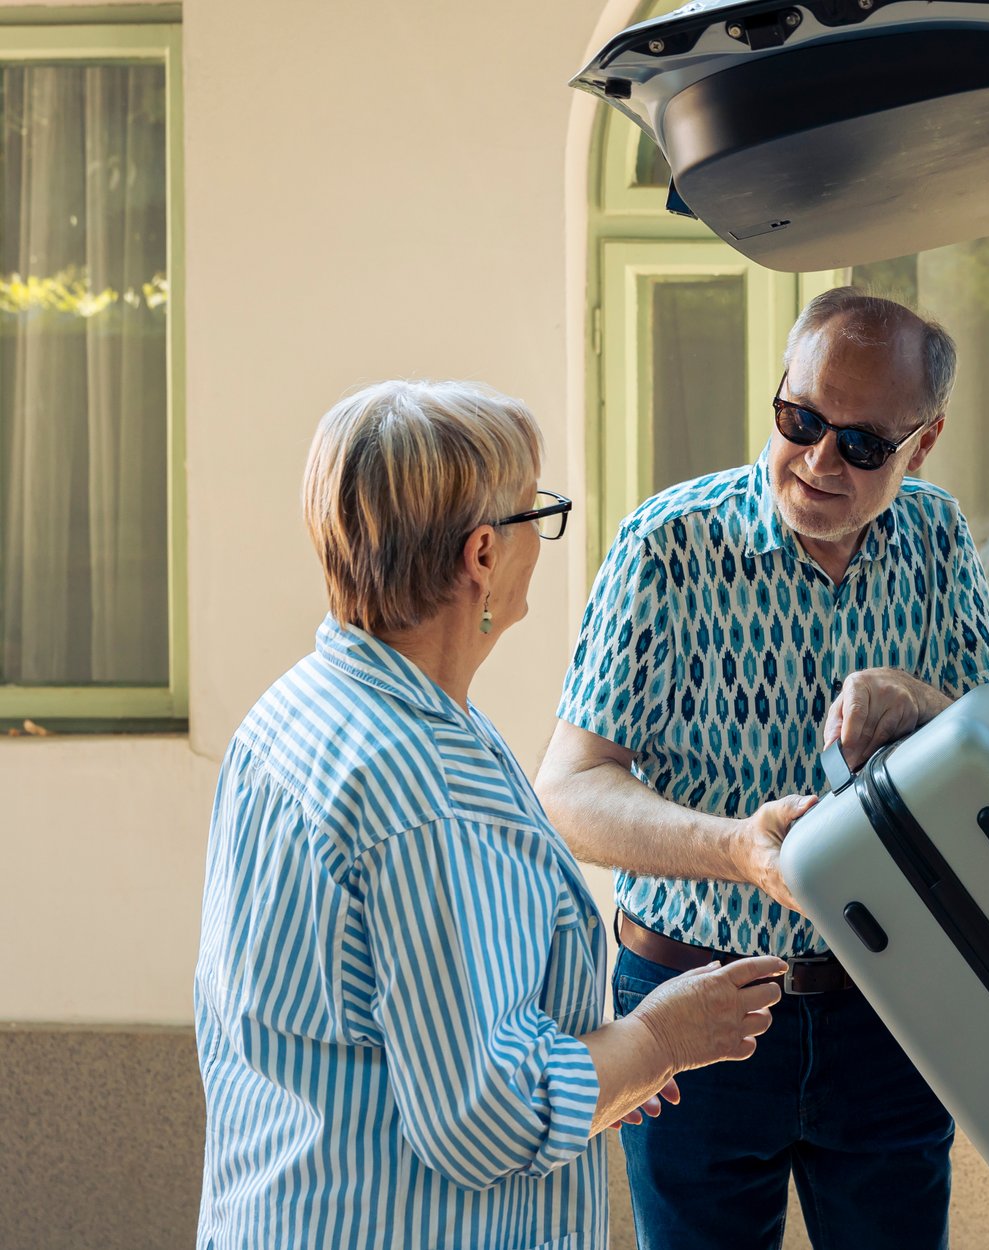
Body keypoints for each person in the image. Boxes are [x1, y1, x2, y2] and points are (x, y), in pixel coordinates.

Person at [193, 380, 786, 1250]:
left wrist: (607, 1063)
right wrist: (662, 1036)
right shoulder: (420, 793)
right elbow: (484, 1118)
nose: (539, 543)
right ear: (481, 555)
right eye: (535, 515)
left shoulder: (299, 715)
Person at [537, 289, 989, 1249]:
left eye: (864, 444)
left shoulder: (936, 537)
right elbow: (569, 793)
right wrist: (739, 852)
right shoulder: (667, 546)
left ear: (922, 445)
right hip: (692, 1005)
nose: (819, 460)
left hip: (890, 1005)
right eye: (800, 420)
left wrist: (920, 705)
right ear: (779, 395)